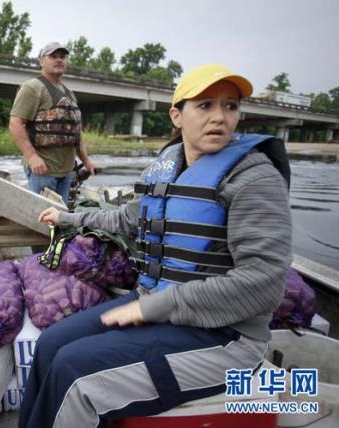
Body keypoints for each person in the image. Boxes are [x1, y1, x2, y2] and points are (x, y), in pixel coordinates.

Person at [20, 63, 292, 428]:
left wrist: (154, 308)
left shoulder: (254, 178)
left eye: (230, 106)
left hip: (225, 337)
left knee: (74, 371)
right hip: (159, 309)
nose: (220, 117)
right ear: (177, 115)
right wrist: (68, 219)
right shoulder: (168, 169)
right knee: (50, 344)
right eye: (205, 105)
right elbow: (126, 218)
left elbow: (264, 284)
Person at [9, 42, 96, 203]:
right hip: (43, 170)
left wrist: (86, 161)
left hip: (66, 171)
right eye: (53, 56)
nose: (59, 60)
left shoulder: (69, 93)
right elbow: (15, 123)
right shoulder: (32, 87)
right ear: (42, 61)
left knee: (58, 217)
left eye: (62, 57)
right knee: (45, 218)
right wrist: (32, 157)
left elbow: (76, 133)